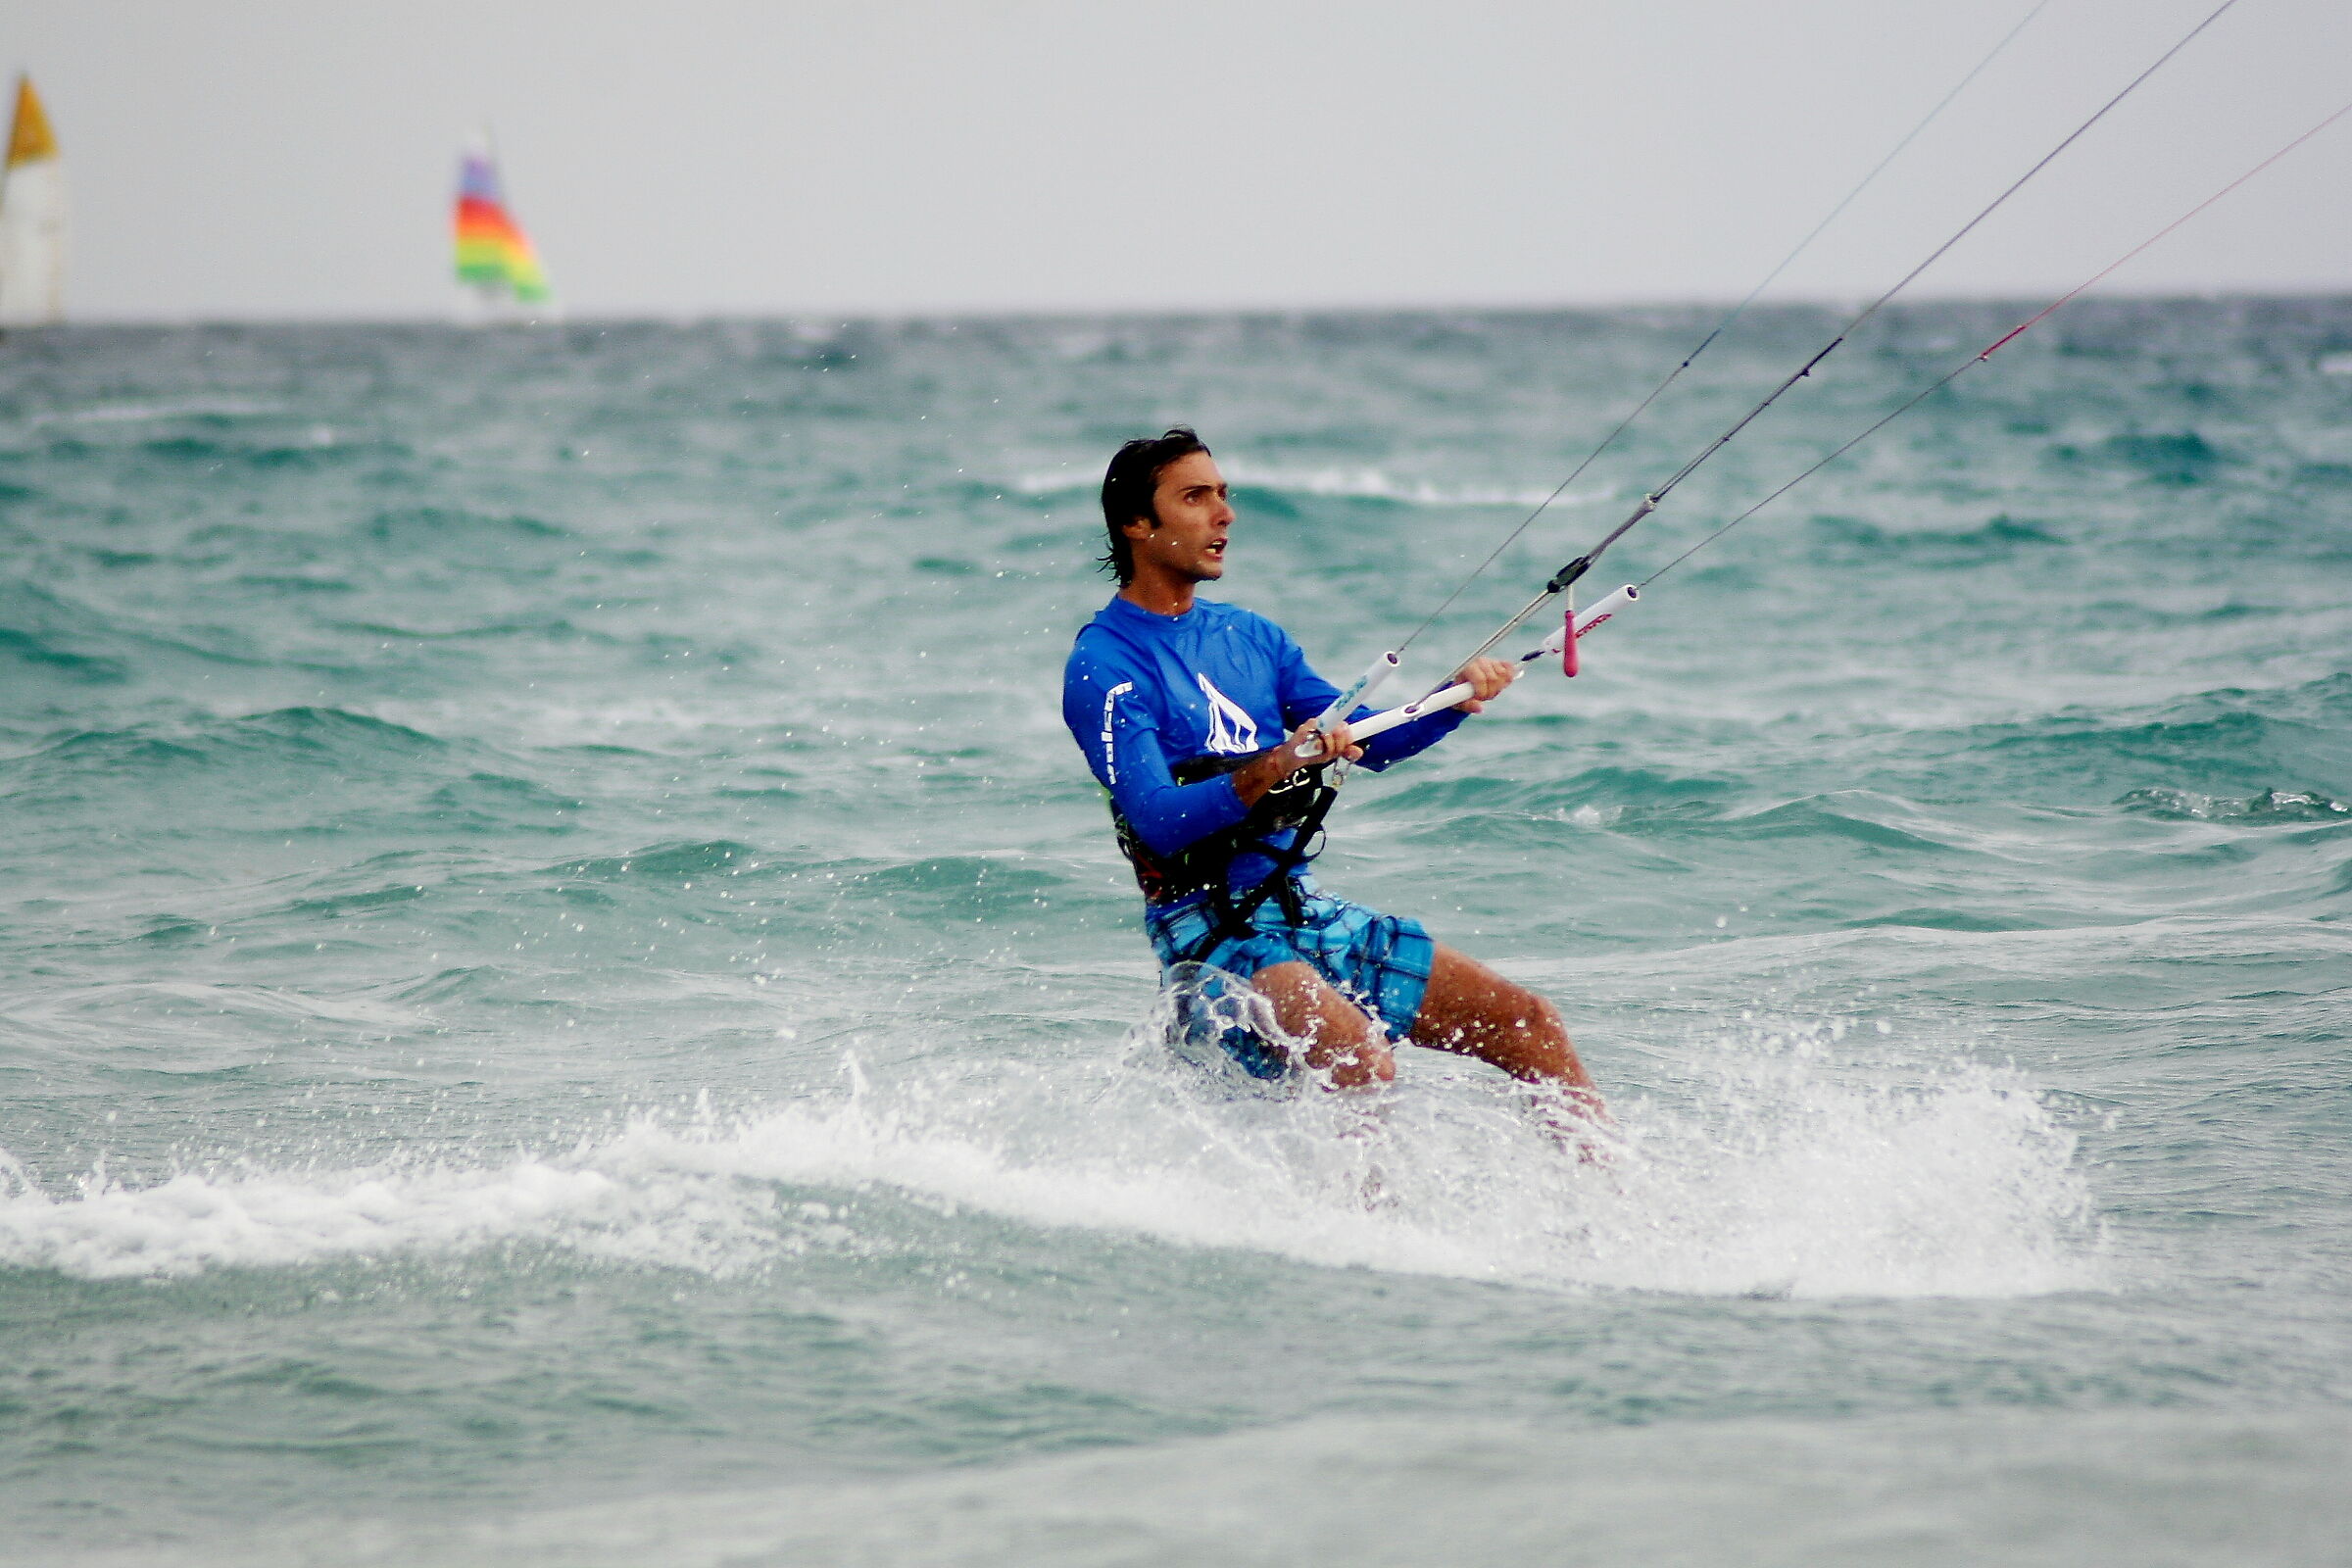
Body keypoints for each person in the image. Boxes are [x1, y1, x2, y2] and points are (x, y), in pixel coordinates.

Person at [1061, 427, 1606, 1136]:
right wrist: (1282, 762)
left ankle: (1614, 1215)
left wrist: (1455, 695)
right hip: (1210, 934)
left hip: (1303, 910)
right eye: (1195, 498)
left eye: (1224, 495)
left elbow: (1371, 742)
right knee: (1361, 1061)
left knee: (1530, 1024)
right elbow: (1159, 817)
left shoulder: (1251, 637)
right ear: (1137, 523)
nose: (1224, 514)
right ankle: (1364, 1238)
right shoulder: (1104, 662)